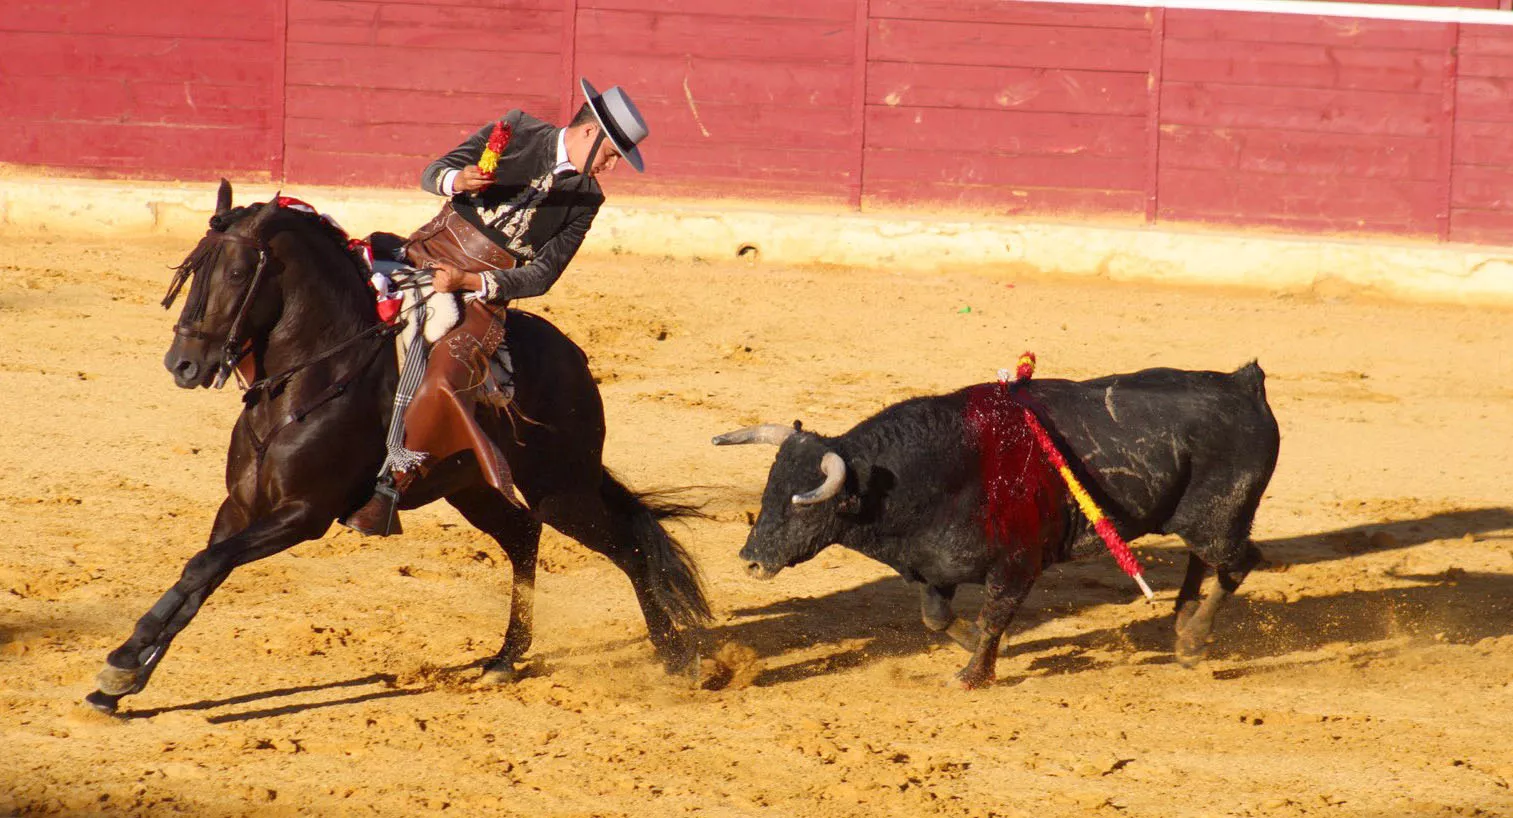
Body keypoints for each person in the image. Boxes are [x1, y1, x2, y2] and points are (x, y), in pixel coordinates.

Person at [342, 78, 648, 537]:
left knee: (447, 373)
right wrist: (457, 178)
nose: (610, 166)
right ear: (591, 133)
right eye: (610, 154)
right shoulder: (517, 130)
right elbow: (434, 172)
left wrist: (473, 281)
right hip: (423, 253)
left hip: (479, 296)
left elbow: (542, 275)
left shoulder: (588, 199)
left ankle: (390, 486)